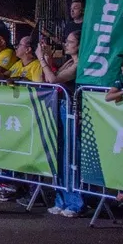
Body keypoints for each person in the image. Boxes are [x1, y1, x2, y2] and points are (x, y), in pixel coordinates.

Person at [36, 31, 84, 216]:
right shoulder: (69, 61)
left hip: (71, 110)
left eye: (70, 42)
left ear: (79, 45)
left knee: (71, 156)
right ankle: (61, 198)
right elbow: (52, 75)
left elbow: (54, 80)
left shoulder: (79, 64)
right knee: (60, 154)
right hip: (60, 107)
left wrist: (41, 59)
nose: (66, 44)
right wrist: (47, 57)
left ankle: (75, 202)